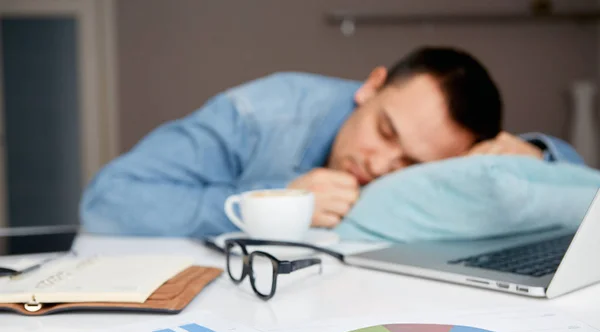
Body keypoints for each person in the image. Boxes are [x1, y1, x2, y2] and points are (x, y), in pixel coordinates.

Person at [80, 46, 583, 238]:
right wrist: (275, 203)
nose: (382, 164)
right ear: (371, 85)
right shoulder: (262, 112)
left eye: (413, 162)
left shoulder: (457, 159)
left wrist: (538, 156)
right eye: (386, 130)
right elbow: (108, 199)